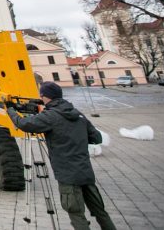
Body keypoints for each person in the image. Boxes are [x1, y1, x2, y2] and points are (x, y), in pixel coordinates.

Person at [7, 81, 116, 230]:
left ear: (45, 97)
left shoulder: (50, 116)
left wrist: (11, 110)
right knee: (100, 211)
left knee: (76, 213)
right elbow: (97, 138)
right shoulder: (78, 114)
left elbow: (24, 124)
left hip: (67, 174)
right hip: (86, 172)